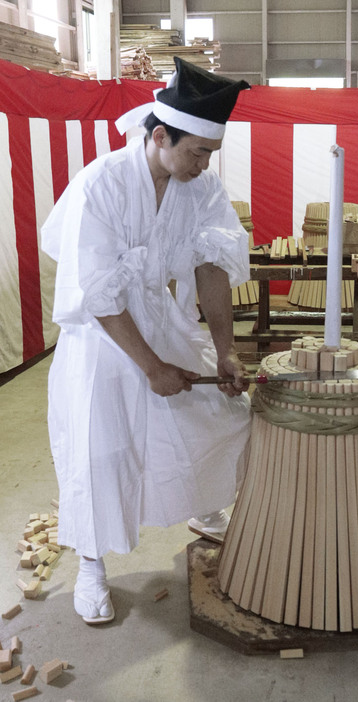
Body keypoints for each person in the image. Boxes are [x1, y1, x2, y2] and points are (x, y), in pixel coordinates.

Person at [41, 58, 252, 625]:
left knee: (215, 410)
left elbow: (212, 264)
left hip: (158, 318)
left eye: (210, 154)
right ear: (160, 136)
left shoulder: (200, 187)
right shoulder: (101, 185)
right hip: (101, 335)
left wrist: (226, 349)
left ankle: (206, 509)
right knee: (100, 449)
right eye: (196, 153)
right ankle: (90, 568)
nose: (204, 165)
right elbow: (100, 294)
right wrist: (152, 367)